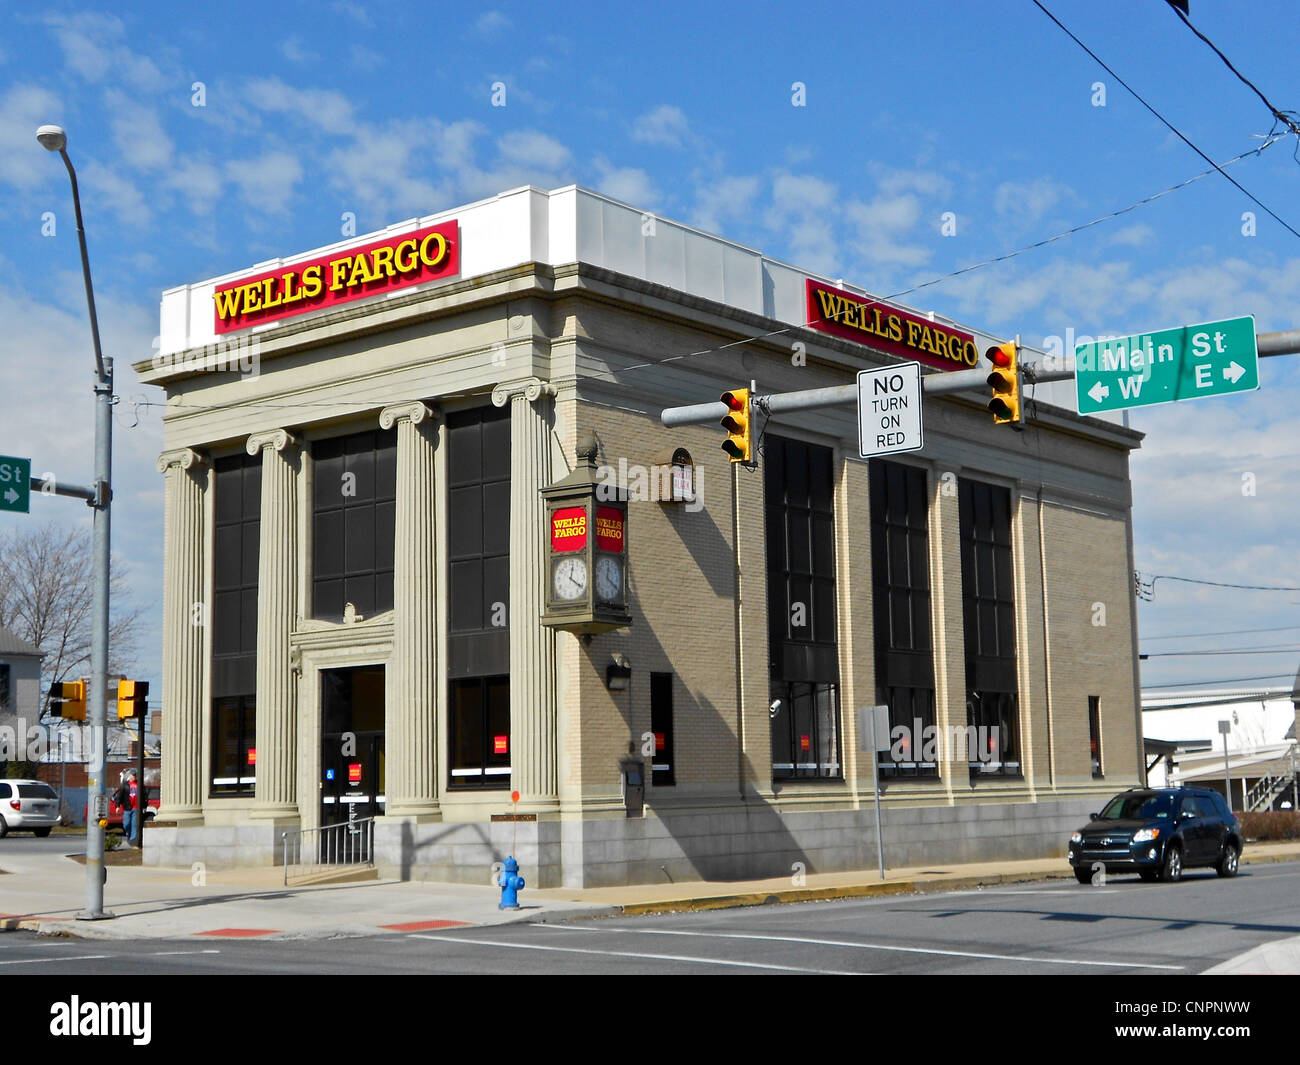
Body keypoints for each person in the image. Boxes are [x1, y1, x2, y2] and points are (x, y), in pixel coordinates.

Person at [113, 769, 147, 846]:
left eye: (135, 775)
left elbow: (144, 796)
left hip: (136, 808)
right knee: (126, 824)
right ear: (130, 776)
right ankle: (128, 834)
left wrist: (144, 806)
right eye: (132, 775)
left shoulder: (140, 785)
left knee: (134, 824)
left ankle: (132, 840)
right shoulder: (125, 785)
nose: (133, 777)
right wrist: (118, 806)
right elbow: (119, 796)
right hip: (127, 808)